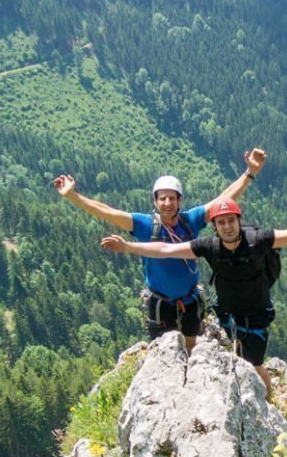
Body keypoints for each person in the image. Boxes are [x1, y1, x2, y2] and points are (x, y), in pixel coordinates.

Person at [100, 197, 287, 399]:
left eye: (231, 221)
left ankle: (268, 401)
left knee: (255, 364)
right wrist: (127, 247)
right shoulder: (209, 247)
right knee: (238, 358)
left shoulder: (259, 240)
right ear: (215, 226)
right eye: (221, 222)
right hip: (228, 314)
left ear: (239, 221)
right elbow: (166, 249)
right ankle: (245, 395)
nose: (227, 227)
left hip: (257, 315)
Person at [54, 149, 266, 353]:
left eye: (172, 198)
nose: (167, 203)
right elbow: (107, 212)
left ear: (179, 200)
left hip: (190, 300)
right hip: (160, 303)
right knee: (165, 353)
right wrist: (73, 196)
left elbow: (223, 200)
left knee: (191, 346)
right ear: (155, 201)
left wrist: (250, 173)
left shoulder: (190, 220)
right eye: (162, 198)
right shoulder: (145, 225)